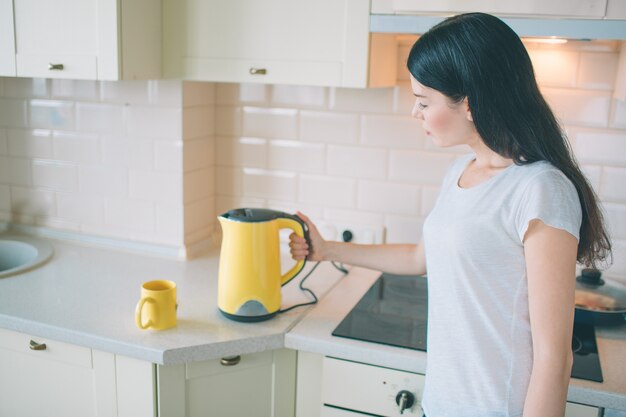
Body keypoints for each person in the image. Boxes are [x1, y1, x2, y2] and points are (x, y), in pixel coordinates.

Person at [289, 12, 612, 417]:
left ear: (471, 103)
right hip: (440, 404)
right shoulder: (459, 173)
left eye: (424, 101)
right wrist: (326, 249)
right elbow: (418, 258)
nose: (415, 112)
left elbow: (554, 356)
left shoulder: (540, 190)